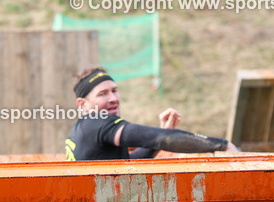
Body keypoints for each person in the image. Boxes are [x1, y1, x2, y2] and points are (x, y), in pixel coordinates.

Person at [65, 67, 237, 161]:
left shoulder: (83, 128)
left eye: (115, 91)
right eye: (103, 94)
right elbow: (160, 138)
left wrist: (163, 132)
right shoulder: (98, 121)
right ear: (83, 104)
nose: (113, 98)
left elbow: (130, 160)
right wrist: (221, 145)